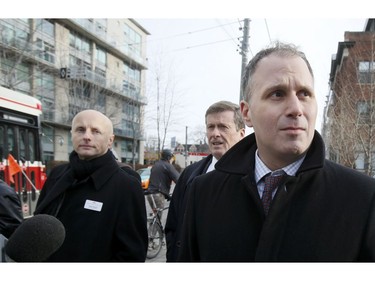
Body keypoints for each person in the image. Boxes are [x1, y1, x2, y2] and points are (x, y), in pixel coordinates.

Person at [177, 42, 375, 262]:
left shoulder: (363, 198)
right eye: (277, 94)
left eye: (304, 94)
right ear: (246, 113)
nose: (296, 109)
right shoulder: (203, 193)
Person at [34, 109, 148, 262]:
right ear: (71, 134)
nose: (87, 136)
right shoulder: (57, 175)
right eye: (80, 130)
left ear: (110, 140)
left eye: (96, 131)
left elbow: (132, 254)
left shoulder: (126, 185)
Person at [165, 100, 246, 262]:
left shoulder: (254, 176)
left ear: (241, 134)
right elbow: (173, 225)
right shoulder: (189, 174)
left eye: (223, 127)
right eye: (211, 127)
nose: (215, 133)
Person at [146, 149, 180, 219]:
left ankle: (152, 227)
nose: (172, 160)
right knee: (158, 217)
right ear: (168, 157)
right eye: (171, 158)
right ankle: (153, 230)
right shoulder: (168, 166)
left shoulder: (156, 165)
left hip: (149, 194)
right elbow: (179, 180)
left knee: (155, 216)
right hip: (158, 194)